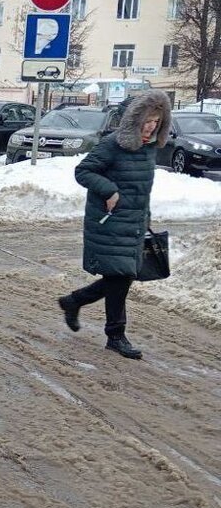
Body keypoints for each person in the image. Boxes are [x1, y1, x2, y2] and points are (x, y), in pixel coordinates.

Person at [57, 90, 172, 360]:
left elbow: (140, 189)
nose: (151, 127)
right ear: (135, 120)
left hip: (133, 222)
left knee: (122, 276)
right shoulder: (114, 144)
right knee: (120, 278)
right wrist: (109, 191)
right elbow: (83, 171)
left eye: (157, 121)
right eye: (148, 120)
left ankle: (74, 301)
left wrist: (145, 217)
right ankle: (115, 335)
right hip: (110, 221)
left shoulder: (148, 149)